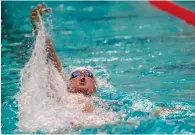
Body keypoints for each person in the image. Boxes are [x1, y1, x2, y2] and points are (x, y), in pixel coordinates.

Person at [30, 3, 96, 113]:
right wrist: (38, 26)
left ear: (95, 86)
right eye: (76, 74)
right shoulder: (64, 94)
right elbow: (52, 58)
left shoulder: (101, 104)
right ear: (68, 84)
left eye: (88, 74)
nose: (82, 76)